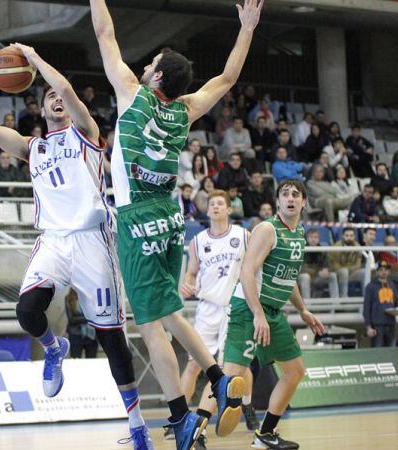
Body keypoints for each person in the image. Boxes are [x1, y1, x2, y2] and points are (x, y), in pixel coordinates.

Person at [91, 0, 262, 445]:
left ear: (158, 77)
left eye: (150, 64)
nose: (143, 66)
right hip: (171, 216)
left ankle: (183, 412)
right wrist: (246, 28)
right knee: (166, 312)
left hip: (137, 218)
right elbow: (226, 80)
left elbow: (106, 35)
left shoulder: (132, 92)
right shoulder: (184, 110)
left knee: (150, 326)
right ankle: (216, 381)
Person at [0, 43, 152, 449]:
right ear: (40, 111)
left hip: (93, 241)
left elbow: (68, 92)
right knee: (26, 311)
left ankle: (137, 424)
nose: (57, 99)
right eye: (49, 98)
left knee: (112, 339)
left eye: (60, 96)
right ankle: (54, 347)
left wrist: (36, 60)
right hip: (54, 241)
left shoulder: (87, 133)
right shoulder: (33, 147)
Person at [223, 180, 325, 449]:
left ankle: (265, 434)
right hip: (248, 308)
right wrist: (257, 313)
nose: (290, 198)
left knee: (294, 371)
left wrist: (303, 310)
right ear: (278, 202)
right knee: (230, 380)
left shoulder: (299, 234)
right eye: (284, 194)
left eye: (295, 194)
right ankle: (194, 430)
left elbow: (288, 279)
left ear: (303, 202)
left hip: (273, 311)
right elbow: (246, 272)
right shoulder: (268, 229)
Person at [175, 190, 258, 447]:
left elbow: (255, 267)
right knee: (193, 365)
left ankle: (247, 406)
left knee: (236, 367)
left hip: (235, 307)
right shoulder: (198, 241)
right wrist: (186, 285)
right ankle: (178, 417)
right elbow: (190, 274)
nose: (216, 207)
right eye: (212, 204)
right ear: (207, 210)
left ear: (229, 209)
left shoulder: (243, 236)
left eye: (220, 204)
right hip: (207, 308)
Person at [363, 260, 398, 348]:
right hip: (377, 325)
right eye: (381, 270)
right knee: (377, 353)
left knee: (390, 351)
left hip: (391, 324)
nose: (384, 272)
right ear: (377, 272)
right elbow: (366, 308)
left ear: (389, 272)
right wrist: (368, 327)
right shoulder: (371, 286)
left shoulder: (392, 285)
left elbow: (397, 303)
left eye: (386, 270)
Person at [299, 228, 339, 299]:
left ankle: (335, 304)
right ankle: (307, 305)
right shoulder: (302, 249)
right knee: (305, 277)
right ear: (307, 239)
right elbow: (301, 268)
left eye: (315, 237)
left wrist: (327, 270)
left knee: (332, 275)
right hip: (305, 276)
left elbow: (328, 264)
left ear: (319, 239)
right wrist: (318, 272)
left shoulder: (322, 250)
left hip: (317, 277)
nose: (313, 239)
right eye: (311, 237)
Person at [329, 228, 364, 297]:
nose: (349, 238)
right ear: (342, 236)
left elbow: (358, 264)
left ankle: (366, 299)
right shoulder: (336, 246)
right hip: (338, 272)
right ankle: (344, 297)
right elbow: (334, 264)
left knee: (364, 272)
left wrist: (347, 269)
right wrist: (346, 269)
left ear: (354, 237)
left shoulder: (358, 246)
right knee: (344, 271)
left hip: (352, 272)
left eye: (351, 236)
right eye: (347, 235)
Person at [65, 288, 99, 359]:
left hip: (91, 334)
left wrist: (89, 317)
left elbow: (96, 316)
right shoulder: (68, 298)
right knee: (75, 363)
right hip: (75, 335)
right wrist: (88, 318)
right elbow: (72, 320)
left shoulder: (93, 297)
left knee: (92, 363)